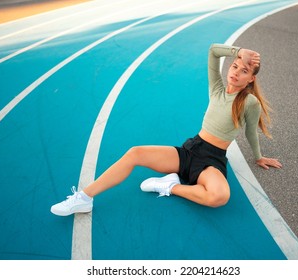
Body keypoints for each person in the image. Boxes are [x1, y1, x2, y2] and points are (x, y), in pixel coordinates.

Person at [51, 43, 282, 216]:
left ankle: (171, 186)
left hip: (212, 160)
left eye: (244, 71)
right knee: (135, 153)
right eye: (235, 66)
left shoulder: (249, 102)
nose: (236, 72)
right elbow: (213, 51)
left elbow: (251, 131)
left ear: (251, 79)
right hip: (191, 149)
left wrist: (259, 157)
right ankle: (84, 197)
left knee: (220, 196)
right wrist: (238, 50)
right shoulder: (217, 88)